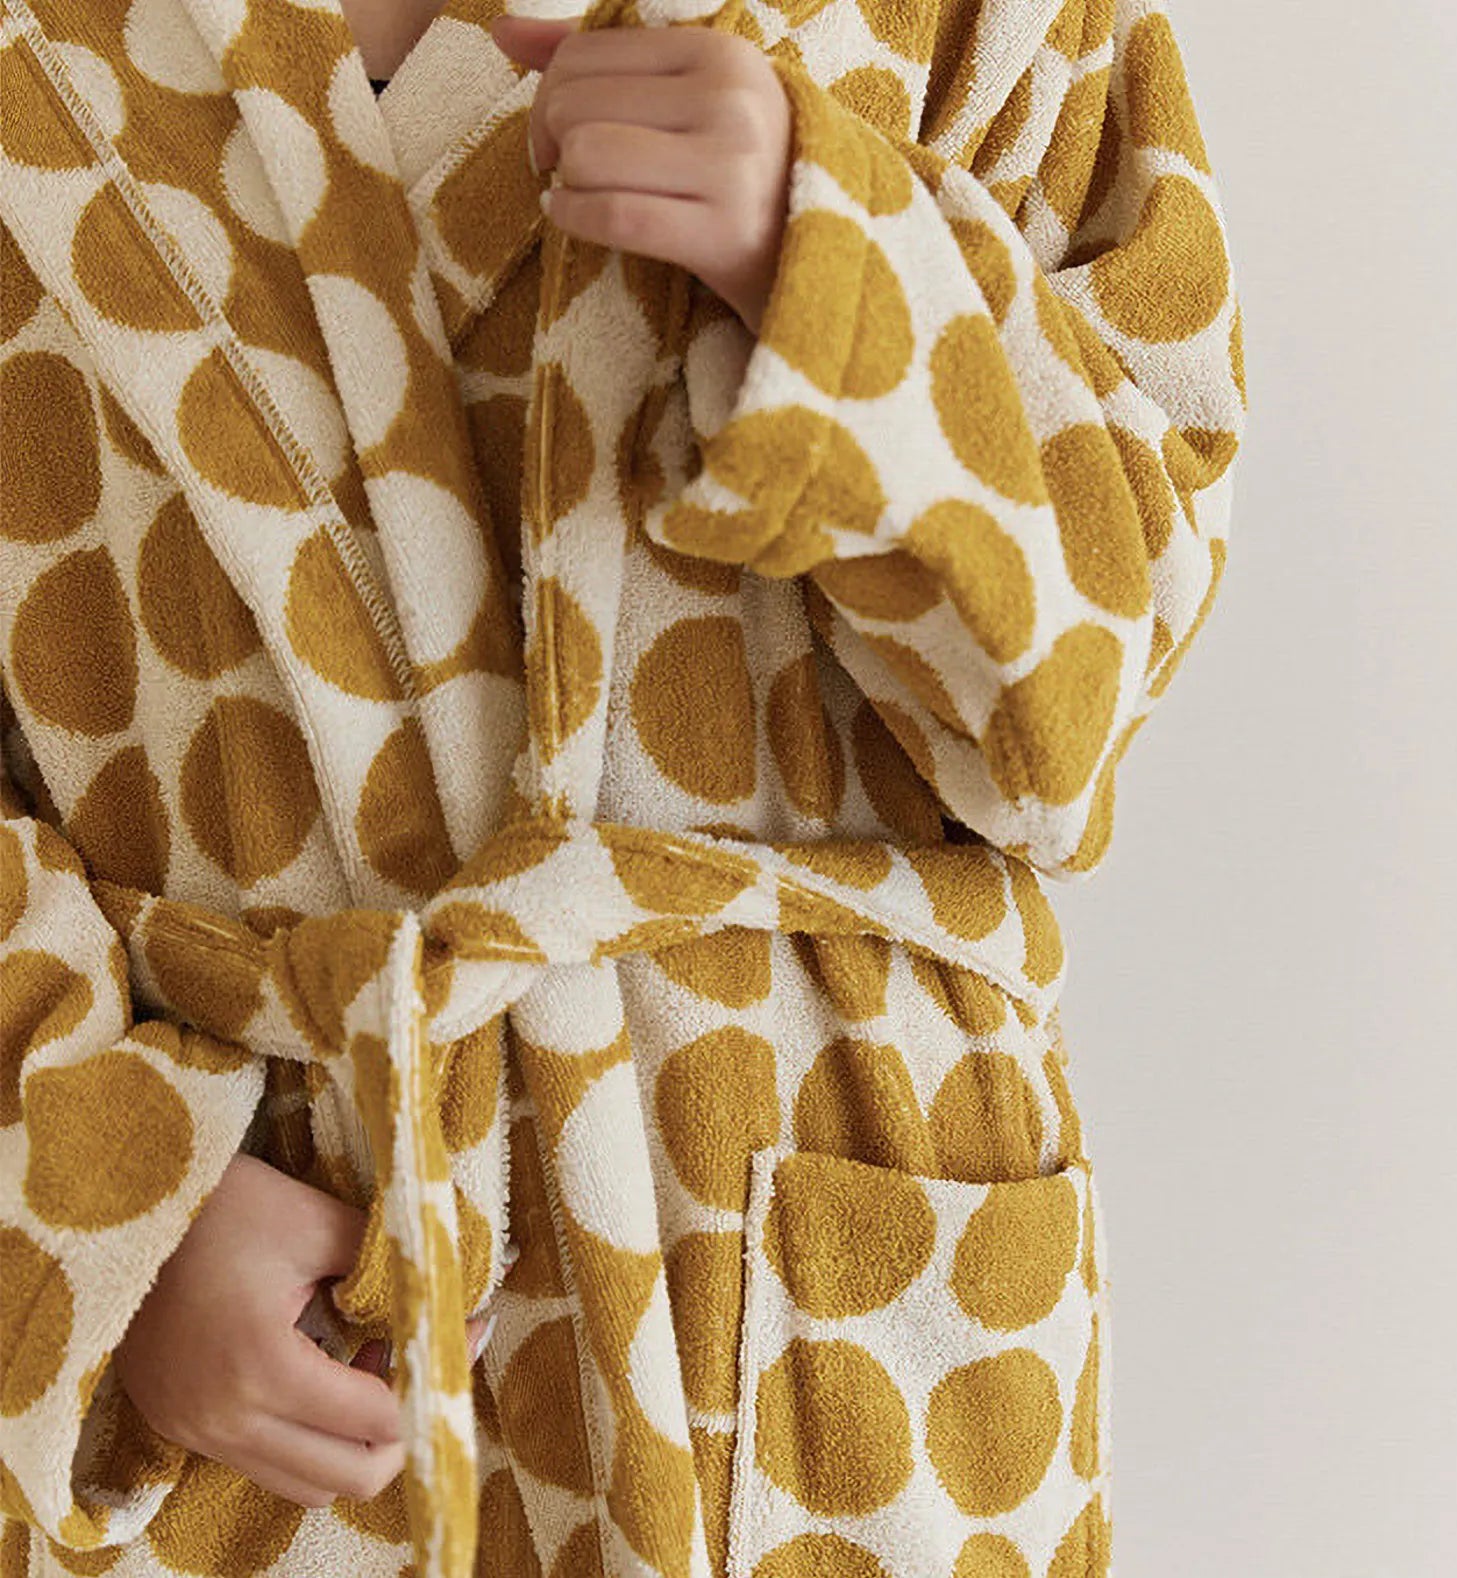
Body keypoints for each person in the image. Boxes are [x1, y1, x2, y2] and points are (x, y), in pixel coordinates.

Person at [0, 0, 1247, 1573]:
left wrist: (848, 268)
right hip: (282, 1336)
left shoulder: (984, 27)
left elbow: (1092, 681)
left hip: (823, 1293)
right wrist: (103, 1204)